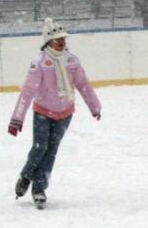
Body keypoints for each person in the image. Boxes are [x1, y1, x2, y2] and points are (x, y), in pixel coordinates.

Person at [8, 18, 101, 209]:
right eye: (57, 39)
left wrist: (95, 106)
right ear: (48, 41)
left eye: (63, 39)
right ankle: (26, 176)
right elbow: (28, 91)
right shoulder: (40, 63)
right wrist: (17, 118)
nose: (62, 42)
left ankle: (39, 189)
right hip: (43, 112)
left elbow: (83, 84)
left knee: (51, 151)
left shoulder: (71, 60)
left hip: (65, 113)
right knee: (40, 148)